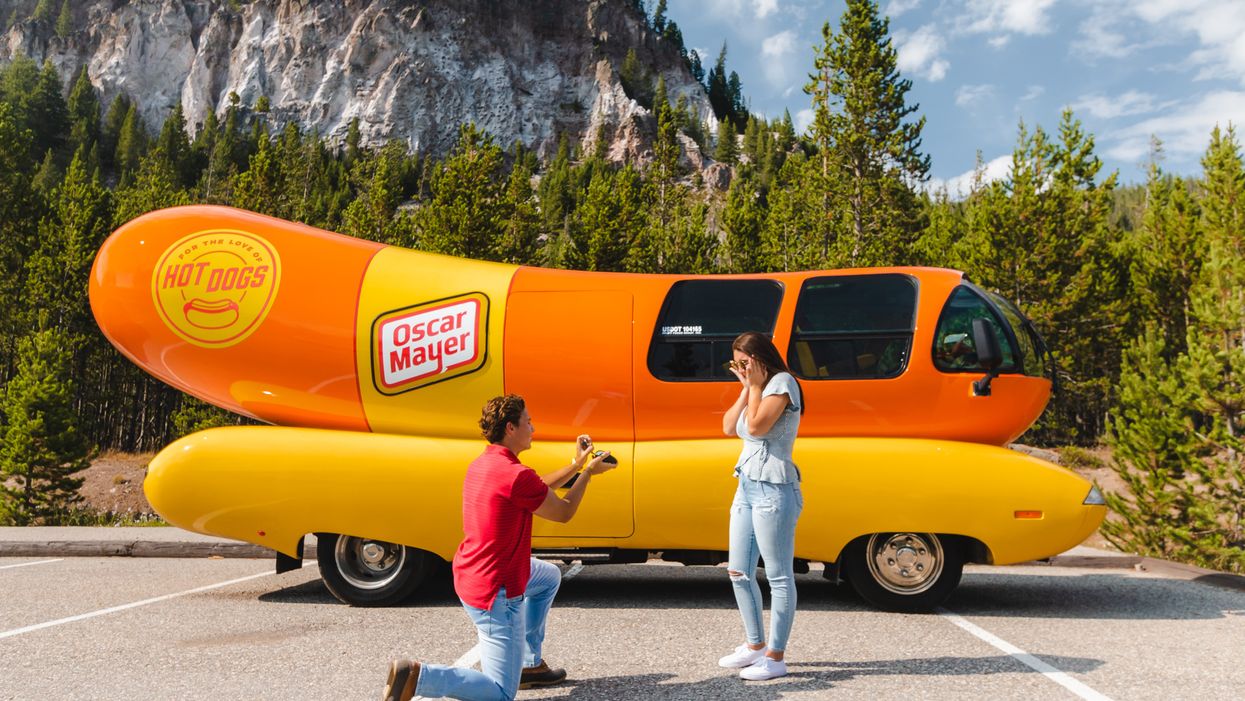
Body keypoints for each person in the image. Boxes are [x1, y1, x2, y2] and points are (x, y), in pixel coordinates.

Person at [382, 394, 616, 701]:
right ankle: (416, 676)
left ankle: (529, 664)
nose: (533, 427)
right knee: (500, 693)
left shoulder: (487, 463)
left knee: (548, 578)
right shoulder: (516, 475)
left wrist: (577, 463)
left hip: (473, 572)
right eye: (528, 421)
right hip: (497, 590)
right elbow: (563, 512)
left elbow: (538, 487)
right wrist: (588, 475)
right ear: (510, 428)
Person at [718, 331, 805, 681]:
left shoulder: (783, 383)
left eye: (744, 362)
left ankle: (775, 656)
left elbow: (756, 426)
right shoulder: (753, 388)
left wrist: (754, 387)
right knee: (738, 570)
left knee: (778, 576)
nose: (740, 368)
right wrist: (745, 387)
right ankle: (754, 646)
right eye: (735, 364)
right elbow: (728, 427)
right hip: (747, 486)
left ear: (760, 358)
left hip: (775, 488)